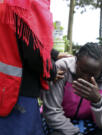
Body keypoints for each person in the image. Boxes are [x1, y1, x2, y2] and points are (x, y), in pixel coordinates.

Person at [0, 0, 70, 135]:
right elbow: (34, 52)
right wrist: (52, 70)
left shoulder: (7, 3)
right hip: (19, 92)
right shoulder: (27, 4)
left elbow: (21, 38)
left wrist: (55, 54)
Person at [42, 43, 102, 135]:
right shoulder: (62, 68)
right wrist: (75, 133)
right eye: (82, 70)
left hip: (89, 122)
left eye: (92, 75)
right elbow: (52, 111)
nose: (85, 78)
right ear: (76, 60)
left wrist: (98, 100)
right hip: (59, 121)